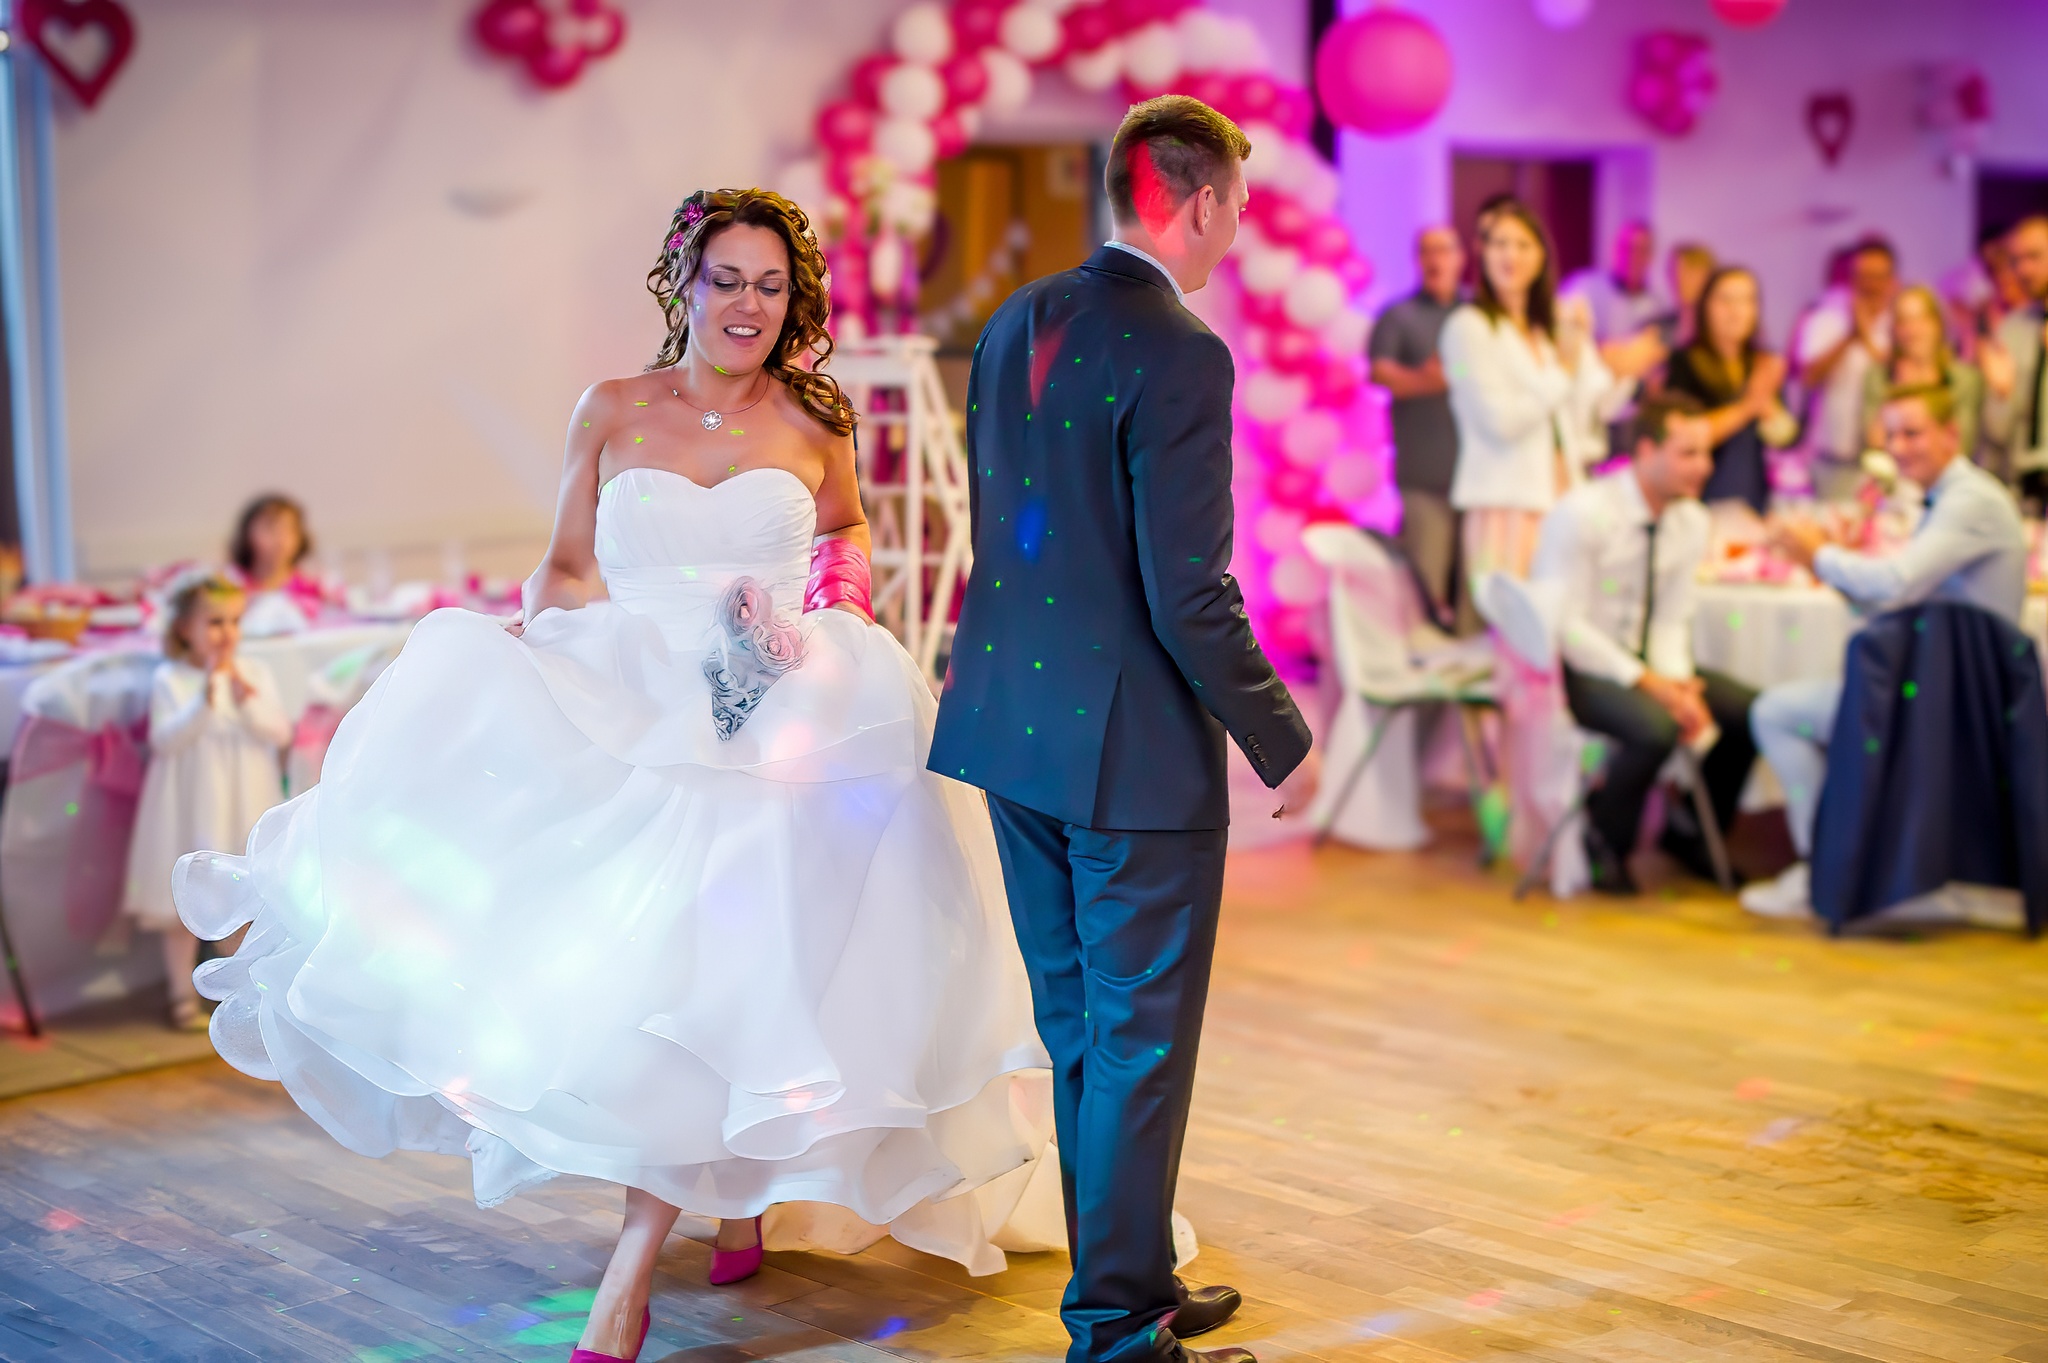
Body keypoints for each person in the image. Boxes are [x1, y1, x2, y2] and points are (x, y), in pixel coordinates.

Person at [174, 188, 1067, 1363]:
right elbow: (562, 565)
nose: (746, 303)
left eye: (769, 285)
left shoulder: (812, 419)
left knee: (743, 970)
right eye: (726, 279)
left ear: (790, 302)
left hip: (784, 717)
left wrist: (816, 617)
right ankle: (726, 1203)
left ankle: (629, 1277)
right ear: (683, 286)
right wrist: (530, 648)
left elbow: (841, 535)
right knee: (671, 981)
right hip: (643, 699)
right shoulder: (611, 409)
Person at [931, 95, 1311, 1363]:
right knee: (1136, 1040)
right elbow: (1187, 590)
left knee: (1085, 1028)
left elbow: (1020, 536)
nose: (1234, 236)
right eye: (1235, 211)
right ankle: (1117, 1327)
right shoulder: (1182, 349)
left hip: (1005, 726)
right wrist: (1279, 732)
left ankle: (1126, 1281)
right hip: (1127, 754)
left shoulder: (1012, 322)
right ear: (1195, 201)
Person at [1741, 383, 2028, 919]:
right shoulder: (1949, 500)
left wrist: (1821, 554)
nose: (1899, 446)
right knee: (1793, 709)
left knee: (1777, 714)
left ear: (1951, 433)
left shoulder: (1971, 502)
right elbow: (1895, 604)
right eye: (1891, 433)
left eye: (1912, 432)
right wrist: (1824, 564)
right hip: (1942, 688)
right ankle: (1847, 860)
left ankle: (1823, 868)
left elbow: (1896, 584)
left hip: (1951, 705)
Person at [1532, 393, 1758, 895]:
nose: (1704, 466)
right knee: (1654, 728)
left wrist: (1677, 682)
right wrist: (1648, 683)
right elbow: (1564, 625)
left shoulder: (1690, 520)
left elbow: (1673, 618)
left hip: (1649, 663)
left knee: (1751, 711)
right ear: (1645, 450)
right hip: (1585, 667)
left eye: (1706, 453)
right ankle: (1605, 840)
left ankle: (1693, 832)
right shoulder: (1582, 513)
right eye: (1688, 453)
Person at [122, 573, 289, 1031]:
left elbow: (279, 733)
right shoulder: (171, 679)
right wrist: (208, 696)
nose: (227, 633)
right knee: (182, 903)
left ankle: (240, 996)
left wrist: (245, 699)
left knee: (239, 903)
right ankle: (180, 994)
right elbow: (166, 740)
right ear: (184, 629)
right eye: (214, 622)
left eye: (234, 621)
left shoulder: (254, 674)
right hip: (189, 803)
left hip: (242, 797)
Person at [1443, 200, 1616, 584]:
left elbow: (1599, 404)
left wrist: (1590, 348)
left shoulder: (1549, 326)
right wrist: (1563, 372)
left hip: (1563, 493)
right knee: (1516, 631)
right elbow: (1500, 422)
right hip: (1506, 501)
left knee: (1563, 623)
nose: (1511, 255)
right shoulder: (1468, 327)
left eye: (1523, 244)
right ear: (1482, 253)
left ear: (1542, 255)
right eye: (1500, 244)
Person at [1369, 225, 1465, 619]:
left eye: (1444, 250)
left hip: (1479, 480)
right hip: (1423, 476)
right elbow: (1382, 373)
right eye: (1427, 251)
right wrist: (1429, 379)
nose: (1435, 259)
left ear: (1461, 258)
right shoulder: (1398, 316)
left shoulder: (1475, 315)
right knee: (1427, 593)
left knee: (1474, 595)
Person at [1658, 267, 1794, 514]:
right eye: (1726, 300)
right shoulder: (1684, 362)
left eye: (1746, 300)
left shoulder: (1763, 362)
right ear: (1705, 306)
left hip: (1754, 496)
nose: (1736, 311)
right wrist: (1747, 407)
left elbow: (1787, 439)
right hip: (1700, 498)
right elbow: (1680, 435)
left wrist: (1770, 409)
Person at [1793, 235, 1899, 500]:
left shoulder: (1900, 322)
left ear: (1891, 279)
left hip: (1886, 459)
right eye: (1862, 275)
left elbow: (1900, 378)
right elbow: (1807, 377)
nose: (1869, 284)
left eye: (1877, 276)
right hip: (1833, 458)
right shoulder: (1828, 316)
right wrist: (1852, 334)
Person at [1861, 284, 1983, 463]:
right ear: (1894, 329)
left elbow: (1960, 447)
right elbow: (1875, 443)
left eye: (1921, 319)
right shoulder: (1878, 377)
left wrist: (1927, 384)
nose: (1912, 330)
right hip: (1894, 480)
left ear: (1938, 324)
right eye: (1904, 321)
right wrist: (1900, 388)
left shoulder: (1963, 379)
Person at [1981, 214, 2048, 508]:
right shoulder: (2013, 328)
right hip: (2023, 485)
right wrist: (2001, 394)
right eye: (2016, 260)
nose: (2022, 269)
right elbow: (1997, 432)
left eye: (2034, 256)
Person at [1562, 218, 1669, 381]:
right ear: (1614, 249)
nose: (1633, 256)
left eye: (1642, 250)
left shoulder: (1657, 306)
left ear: (1651, 256)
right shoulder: (1583, 288)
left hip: (1634, 392)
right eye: (1627, 248)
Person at [228, 493, 330, 636]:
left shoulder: (313, 588)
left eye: (289, 530)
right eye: (270, 529)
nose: (281, 539)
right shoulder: (231, 584)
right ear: (247, 533)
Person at [1661, 242, 1717, 350]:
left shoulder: (1725, 328)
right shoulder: (1658, 328)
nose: (1680, 280)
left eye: (1690, 272)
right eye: (1674, 272)